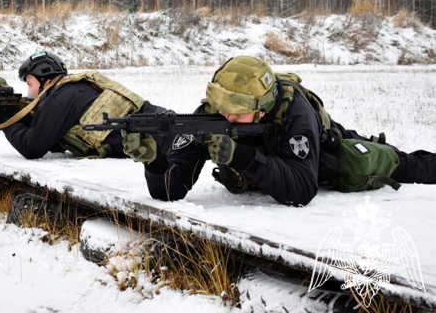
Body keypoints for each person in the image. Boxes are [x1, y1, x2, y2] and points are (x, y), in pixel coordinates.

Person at [126, 56, 436, 207]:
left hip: (330, 153)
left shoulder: (295, 115)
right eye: (220, 105)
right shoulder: (211, 115)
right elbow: (170, 191)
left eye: (236, 111)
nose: (225, 115)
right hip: (272, 170)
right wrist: (153, 163)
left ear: (261, 108)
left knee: (399, 163)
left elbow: (303, 189)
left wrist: (242, 157)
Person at [2, 51, 166, 160]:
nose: (29, 92)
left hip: (163, 138)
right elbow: (53, 142)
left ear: (44, 79)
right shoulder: (72, 89)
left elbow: (32, 147)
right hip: (161, 128)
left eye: (30, 83)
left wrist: (5, 118)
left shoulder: (60, 97)